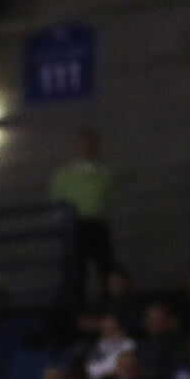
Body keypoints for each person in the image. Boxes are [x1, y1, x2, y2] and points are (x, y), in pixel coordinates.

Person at [49, 127, 115, 304]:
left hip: (98, 225)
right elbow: (57, 203)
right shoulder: (64, 175)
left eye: (91, 144)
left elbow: (107, 199)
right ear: (76, 147)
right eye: (83, 144)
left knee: (106, 269)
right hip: (74, 228)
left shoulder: (105, 173)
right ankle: (78, 312)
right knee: (77, 272)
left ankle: (109, 307)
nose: (87, 148)